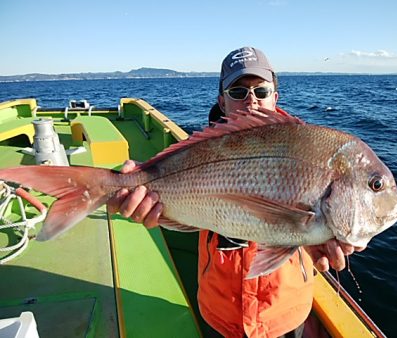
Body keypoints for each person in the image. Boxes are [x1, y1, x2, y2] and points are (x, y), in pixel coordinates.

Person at [107, 47, 365, 338]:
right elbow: (187, 209)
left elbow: (298, 225)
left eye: (261, 90)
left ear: (275, 97)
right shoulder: (201, 150)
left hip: (283, 312)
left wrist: (317, 237)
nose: (252, 100)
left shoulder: (308, 150)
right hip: (220, 311)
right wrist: (140, 187)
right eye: (238, 92)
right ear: (222, 100)